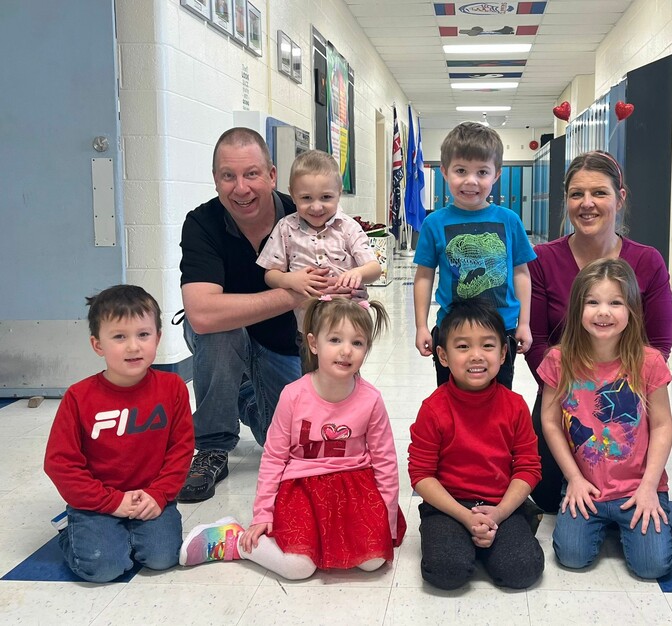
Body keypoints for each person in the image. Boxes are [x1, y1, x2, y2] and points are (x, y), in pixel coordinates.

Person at [178, 128, 349, 503]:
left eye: (251, 174)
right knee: (219, 330)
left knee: (289, 444)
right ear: (216, 180)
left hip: (285, 346)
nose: (241, 188)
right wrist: (294, 291)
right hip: (226, 336)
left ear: (272, 175)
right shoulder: (202, 224)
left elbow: (337, 312)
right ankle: (212, 446)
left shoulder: (307, 212)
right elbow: (203, 314)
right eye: (228, 176)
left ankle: (243, 395)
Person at [179, 297, 406, 579]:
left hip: (354, 488)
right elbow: (274, 457)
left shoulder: (371, 399)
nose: (346, 351)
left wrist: (387, 519)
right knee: (298, 568)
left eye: (357, 343)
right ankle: (235, 540)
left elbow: (385, 462)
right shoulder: (294, 395)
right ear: (313, 343)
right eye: (335, 340)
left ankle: (327, 542)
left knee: (373, 561)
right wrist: (263, 513)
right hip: (302, 489)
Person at [527, 150, 672, 512]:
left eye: (600, 193)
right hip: (564, 390)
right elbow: (536, 343)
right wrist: (577, 390)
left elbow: (659, 344)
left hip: (625, 393)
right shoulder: (543, 259)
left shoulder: (647, 261)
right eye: (577, 194)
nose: (587, 203)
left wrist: (615, 392)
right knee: (547, 498)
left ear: (620, 198)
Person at [44, 285, 194, 583]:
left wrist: (159, 493)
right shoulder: (78, 396)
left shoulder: (172, 387)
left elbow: (181, 450)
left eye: (143, 334)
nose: (133, 347)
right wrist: (111, 503)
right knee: (103, 568)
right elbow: (60, 464)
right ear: (97, 344)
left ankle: (122, 531)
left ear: (158, 338)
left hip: (151, 495)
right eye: (119, 337)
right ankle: (71, 533)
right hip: (96, 502)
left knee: (162, 557)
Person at [538, 259, 672, 579]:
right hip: (587, 487)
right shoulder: (559, 360)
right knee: (572, 557)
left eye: (616, 302)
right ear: (577, 309)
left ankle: (628, 522)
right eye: (593, 302)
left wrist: (650, 486)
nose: (603, 312)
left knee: (651, 567)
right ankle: (605, 522)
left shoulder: (649, 362)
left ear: (631, 311)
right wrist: (573, 478)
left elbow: (663, 426)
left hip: (639, 487)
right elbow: (550, 421)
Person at [408, 299, 544, 590]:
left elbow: (528, 468)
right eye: (463, 347)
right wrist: (464, 517)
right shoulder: (433, 409)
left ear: (504, 352)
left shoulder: (515, 406)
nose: (476, 356)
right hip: (448, 506)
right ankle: (469, 541)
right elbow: (421, 475)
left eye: (487, 345)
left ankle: (489, 539)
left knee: (522, 570)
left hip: (501, 503)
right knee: (447, 572)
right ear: (442, 356)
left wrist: (499, 513)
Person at [413, 121, 536, 389]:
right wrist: (421, 325)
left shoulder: (510, 220)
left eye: (482, 172)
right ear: (444, 172)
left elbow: (521, 273)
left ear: (497, 175)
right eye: (461, 171)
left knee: (499, 399)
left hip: (500, 329)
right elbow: (424, 276)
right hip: (452, 330)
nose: (471, 181)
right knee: (451, 400)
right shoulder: (434, 223)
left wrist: (524, 323)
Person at [256, 149, 381, 360]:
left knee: (344, 376)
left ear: (339, 193)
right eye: (306, 198)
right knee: (311, 379)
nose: (316, 206)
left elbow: (374, 268)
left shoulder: (348, 228)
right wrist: (290, 279)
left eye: (326, 197)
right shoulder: (286, 228)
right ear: (292, 194)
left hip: (348, 324)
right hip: (307, 327)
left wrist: (358, 273)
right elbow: (270, 274)